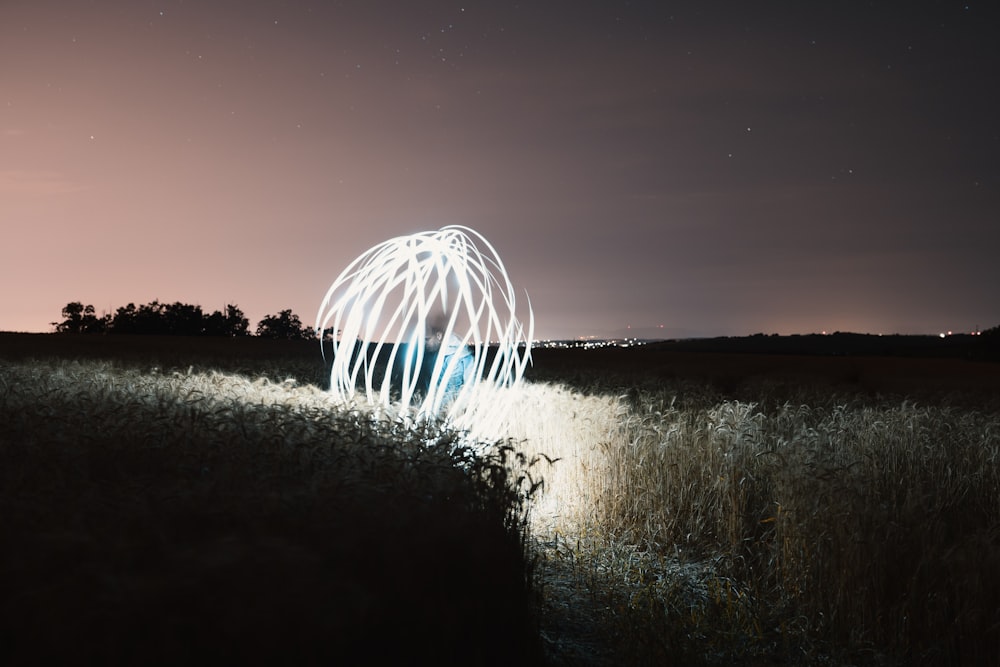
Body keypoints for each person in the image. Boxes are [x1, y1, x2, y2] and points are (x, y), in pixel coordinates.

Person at [425, 316, 475, 409]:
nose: (426, 343)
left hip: (453, 409)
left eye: (427, 339)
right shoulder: (449, 353)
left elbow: (453, 391)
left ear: (439, 336)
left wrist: (434, 408)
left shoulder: (453, 357)